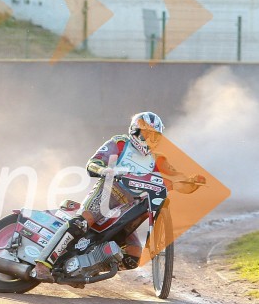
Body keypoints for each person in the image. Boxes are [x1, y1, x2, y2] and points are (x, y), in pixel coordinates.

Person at [31, 112, 204, 285]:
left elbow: (176, 177)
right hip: (108, 192)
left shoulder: (158, 157)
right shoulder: (119, 143)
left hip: (130, 206)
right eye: (144, 133)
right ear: (134, 131)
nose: (148, 138)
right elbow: (93, 163)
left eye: (153, 135)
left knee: (133, 256)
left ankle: (85, 269)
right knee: (81, 222)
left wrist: (192, 181)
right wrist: (104, 170)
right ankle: (42, 264)